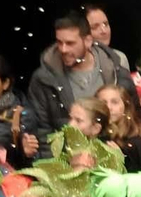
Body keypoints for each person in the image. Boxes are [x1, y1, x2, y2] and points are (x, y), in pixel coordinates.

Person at [26, 15, 127, 158]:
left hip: (114, 160)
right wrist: (62, 165)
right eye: (59, 42)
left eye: (70, 43)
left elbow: (132, 120)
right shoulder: (44, 79)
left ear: (88, 41)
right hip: (67, 162)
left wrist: (121, 157)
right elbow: (42, 133)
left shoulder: (114, 70)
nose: (63, 49)